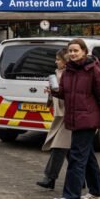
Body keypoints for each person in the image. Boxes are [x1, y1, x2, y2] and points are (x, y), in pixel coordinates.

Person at [50, 38, 100, 199]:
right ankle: (97, 191)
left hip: (88, 120)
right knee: (87, 157)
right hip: (75, 119)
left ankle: (71, 198)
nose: (72, 53)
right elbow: (66, 93)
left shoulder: (93, 70)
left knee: (76, 157)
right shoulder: (69, 71)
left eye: (76, 50)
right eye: (70, 51)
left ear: (84, 51)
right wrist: (54, 91)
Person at [36, 48, 71, 190]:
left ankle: (50, 178)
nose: (55, 61)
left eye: (58, 59)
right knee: (71, 150)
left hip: (67, 115)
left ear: (65, 60)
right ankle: (82, 180)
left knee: (59, 145)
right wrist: (51, 96)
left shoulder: (69, 74)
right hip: (60, 114)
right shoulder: (58, 73)